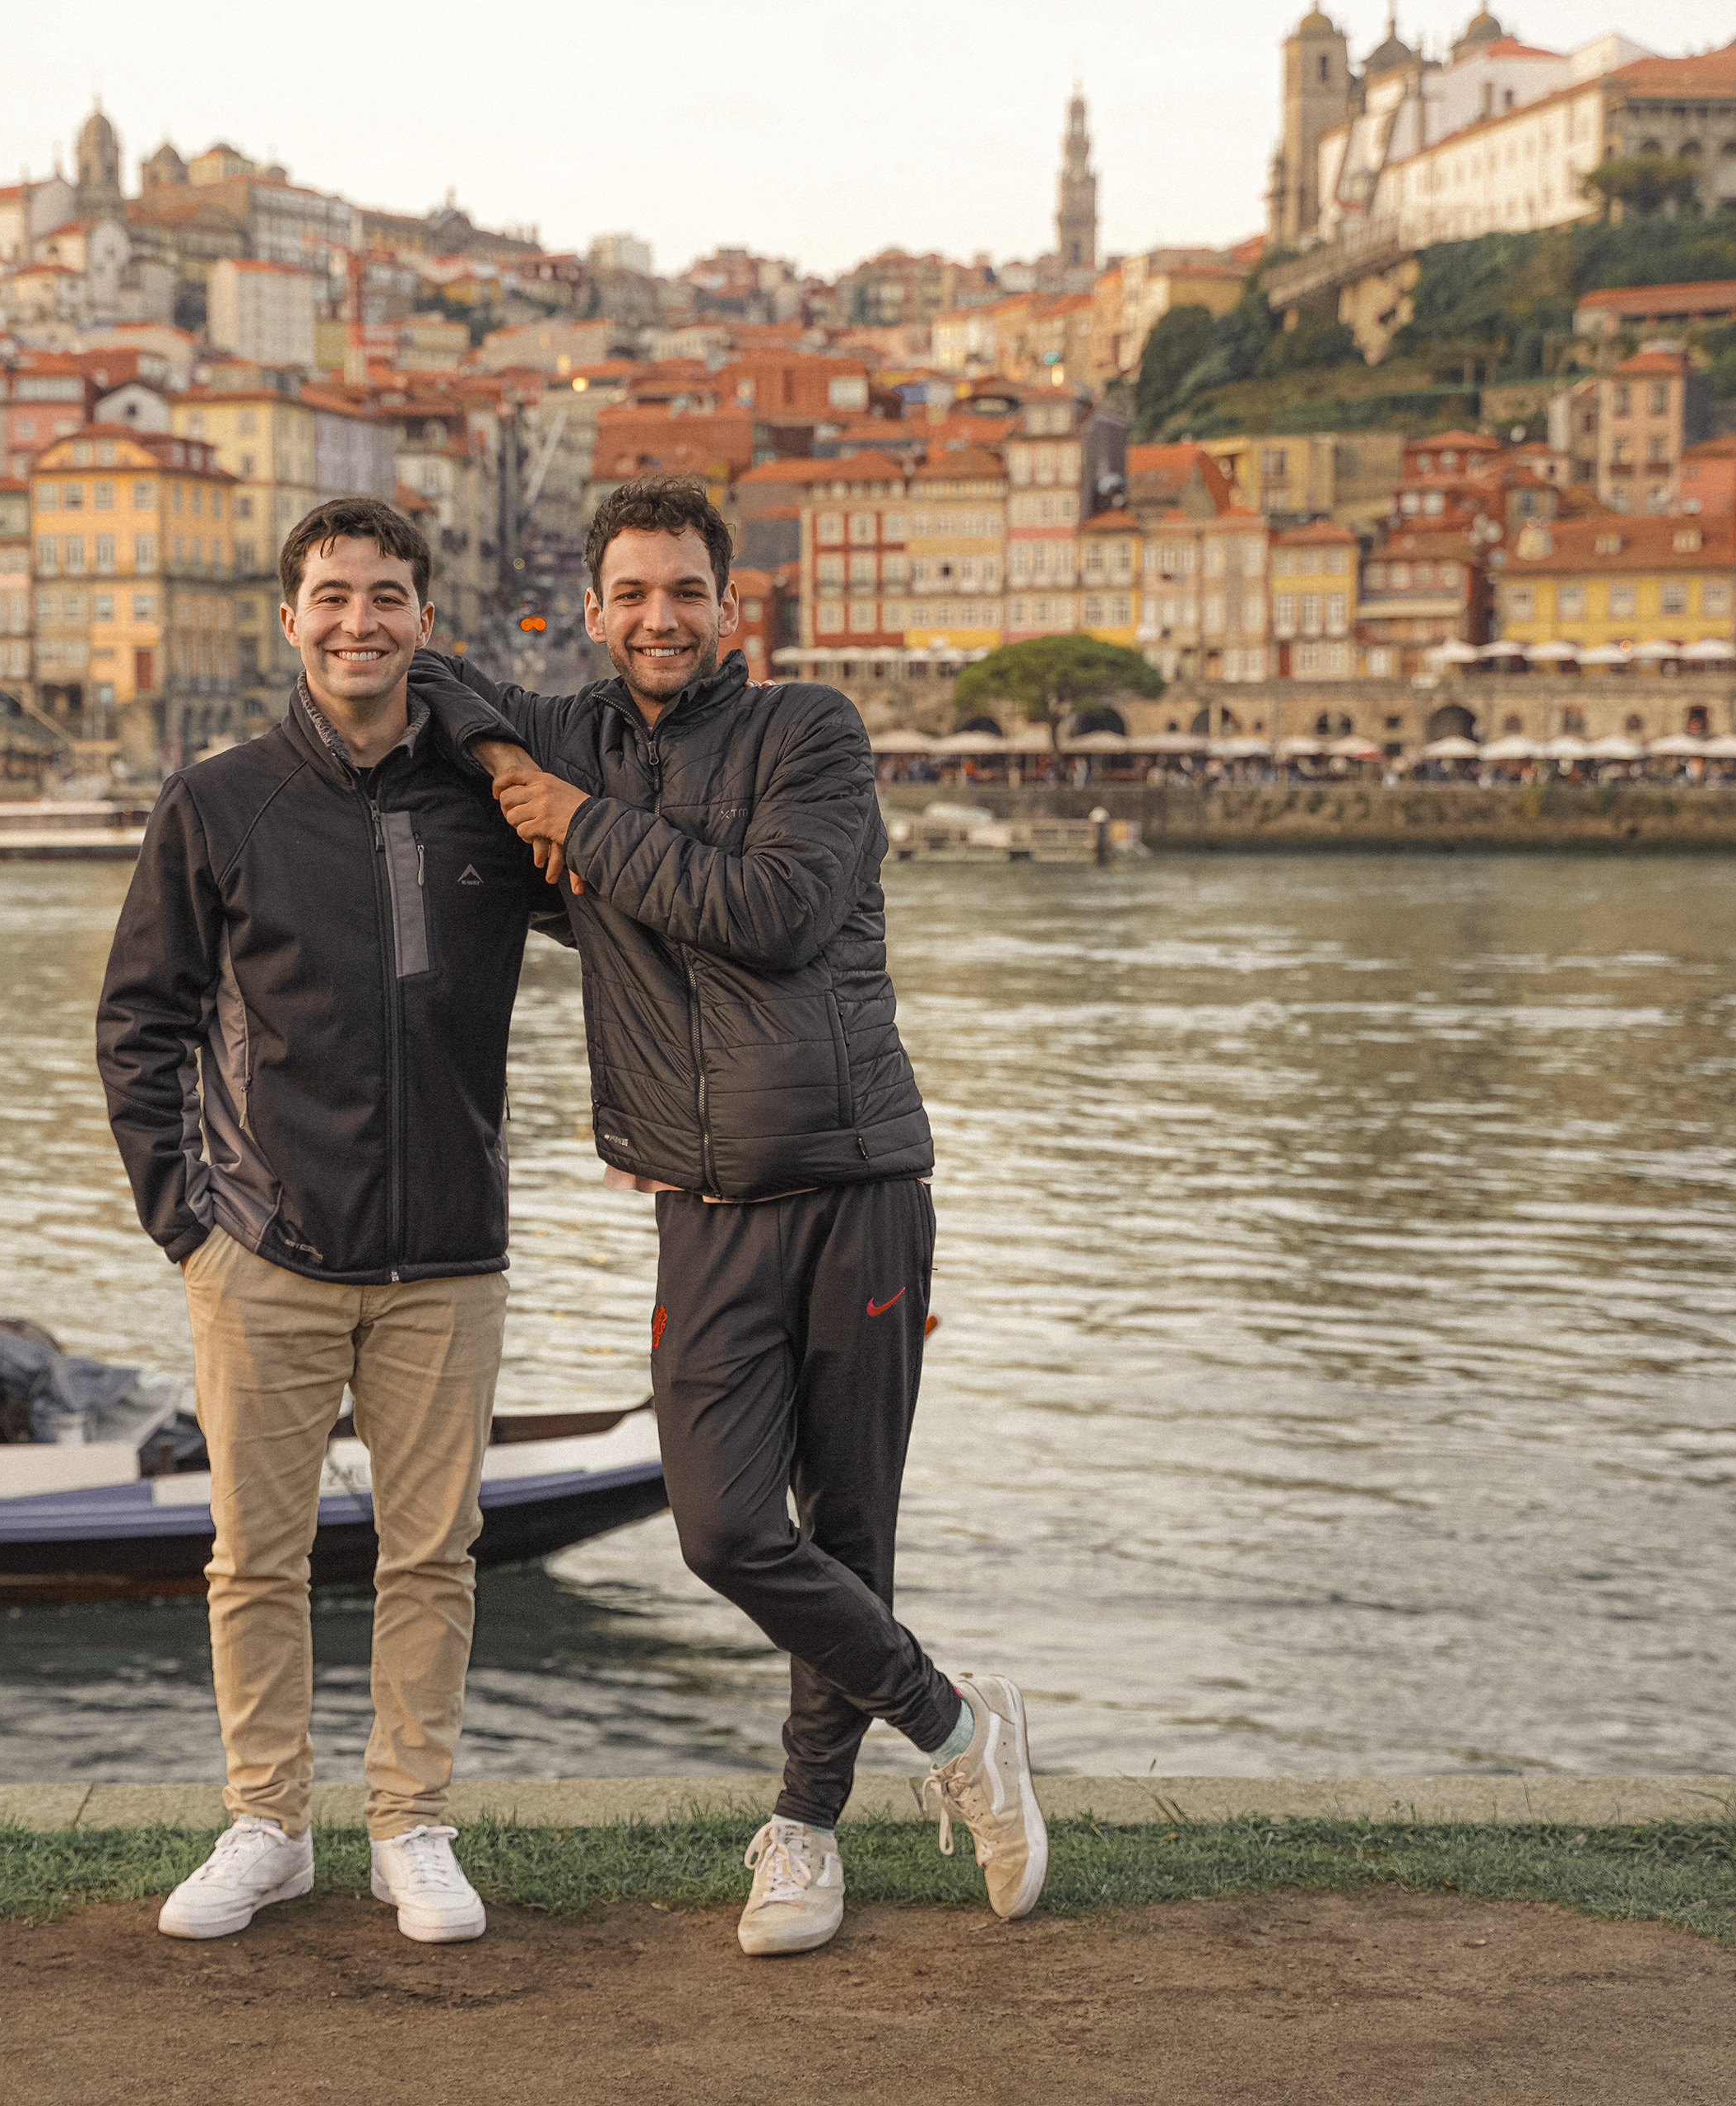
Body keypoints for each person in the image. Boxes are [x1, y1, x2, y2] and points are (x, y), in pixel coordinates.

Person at [407, 475, 1045, 1960]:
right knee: (723, 1528)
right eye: (632, 593)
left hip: (854, 1180)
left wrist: (575, 823)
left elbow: (775, 912)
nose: (660, 618)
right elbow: (439, 682)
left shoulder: (809, 730)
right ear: (591, 610)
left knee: (849, 1523)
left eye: (685, 590)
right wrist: (510, 766)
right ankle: (960, 1729)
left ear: (727, 603)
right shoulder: (564, 732)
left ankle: (806, 1832)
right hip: (698, 1201)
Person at [96, 495, 555, 1946]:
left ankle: (411, 1825)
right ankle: (268, 1826)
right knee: (256, 1559)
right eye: (334, 596)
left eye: (388, 596)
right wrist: (189, 1224)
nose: (360, 621)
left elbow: (633, 919)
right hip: (264, 1250)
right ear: (290, 620)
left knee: (434, 1557)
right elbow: (141, 1023)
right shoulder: (218, 802)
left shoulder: (488, 804)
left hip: (449, 1255)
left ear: (425, 620)